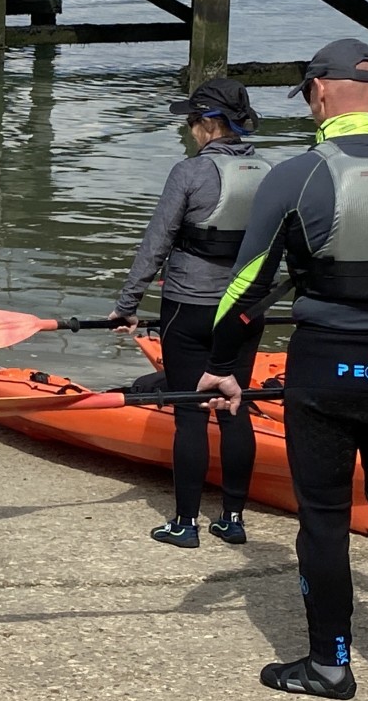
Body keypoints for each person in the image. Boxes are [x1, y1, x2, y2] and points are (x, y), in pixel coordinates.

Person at [197, 40, 368, 699]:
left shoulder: (295, 176)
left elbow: (247, 290)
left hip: (325, 371)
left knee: (323, 518)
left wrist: (221, 367)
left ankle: (330, 665)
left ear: (319, 94)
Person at [108, 77, 269, 548]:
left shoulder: (188, 172)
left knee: (191, 413)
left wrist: (127, 306)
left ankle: (185, 524)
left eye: (193, 121)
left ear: (209, 123)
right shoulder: (271, 172)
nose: (190, 130)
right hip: (245, 312)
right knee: (235, 408)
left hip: (189, 309)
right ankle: (233, 519)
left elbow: (155, 245)